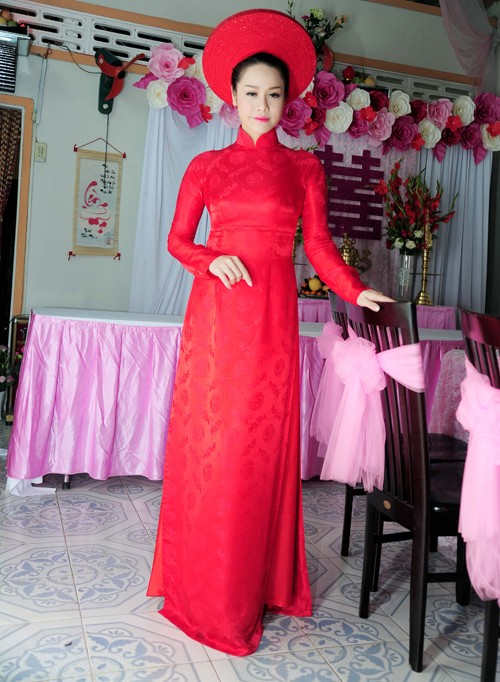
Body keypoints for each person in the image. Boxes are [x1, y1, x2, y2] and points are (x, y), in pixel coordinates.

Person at [147, 8, 392, 656]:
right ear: (232, 96)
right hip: (216, 316)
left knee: (255, 452)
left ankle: (253, 583)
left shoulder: (305, 168)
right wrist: (209, 258)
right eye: (251, 93)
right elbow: (177, 240)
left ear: (288, 102)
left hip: (272, 321)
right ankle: (205, 586)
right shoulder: (206, 167)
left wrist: (356, 290)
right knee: (213, 447)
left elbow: (320, 247)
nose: (261, 105)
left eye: (274, 95)